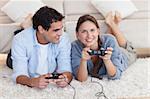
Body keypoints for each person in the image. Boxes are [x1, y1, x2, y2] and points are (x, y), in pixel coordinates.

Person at [11, 6, 72, 88]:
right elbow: (18, 74)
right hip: (24, 50)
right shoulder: (19, 40)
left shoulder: (64, 38)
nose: (60, 33)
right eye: (56, 30)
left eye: (61, 29)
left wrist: (66, 78)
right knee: (11, 62)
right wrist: (32, 81)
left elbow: (66, 69)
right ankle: (24, 26)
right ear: (41, 29)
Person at [71, 12, 137, 82]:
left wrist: (107, 60)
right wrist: (83, 61)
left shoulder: (109, 40)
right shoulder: (75, 46)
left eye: (92, 30)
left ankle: (112, 24)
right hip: (104, 42)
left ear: (98, 31)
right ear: (77, 34)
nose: (89, 35)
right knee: (107, 39)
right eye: (84, 31)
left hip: (124, 55)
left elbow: (116, 75)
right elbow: (81, 79)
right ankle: (112, 25)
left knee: (127, 48)